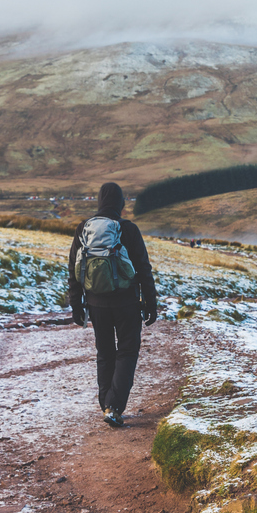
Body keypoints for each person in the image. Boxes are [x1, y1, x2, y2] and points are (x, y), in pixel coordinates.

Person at [68, 182, 158, 427]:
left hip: (96, 305)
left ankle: (106, 403)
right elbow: (143, 268)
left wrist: (77, 306)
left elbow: (74, 270)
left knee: (105, 353)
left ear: (99, 202)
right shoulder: (128, 229)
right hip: (127, 303)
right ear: (121, 204)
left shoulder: (83, 229)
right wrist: (151, 303)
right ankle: (114, 407)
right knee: (127, 351)